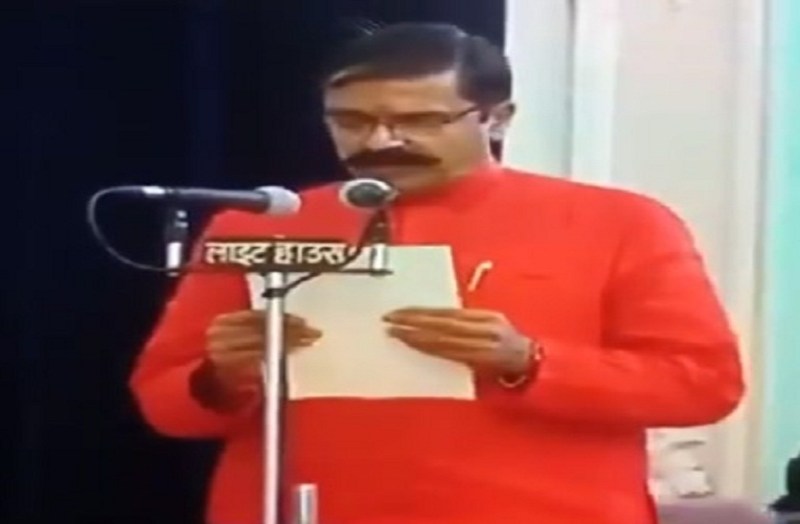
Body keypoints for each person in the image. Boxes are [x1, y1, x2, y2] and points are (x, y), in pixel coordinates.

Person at [128, 22, 745, 524]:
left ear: (496, 118)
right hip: (301, 509)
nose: (382, 140)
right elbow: (164, 402)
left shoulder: (619, 222)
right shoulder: (259, 225)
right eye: (351, 121)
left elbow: (703, 384)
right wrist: (222, 376)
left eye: (420, 121)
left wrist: (530, 361)